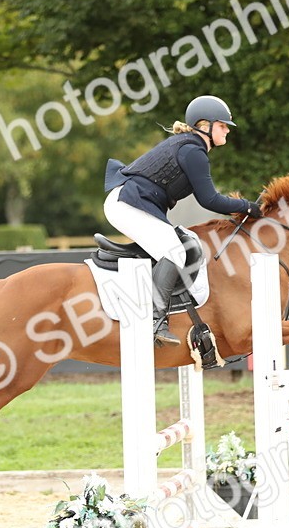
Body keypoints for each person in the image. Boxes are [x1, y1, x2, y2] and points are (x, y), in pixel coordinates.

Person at [104, 95, 262, 346]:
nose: (227, 132)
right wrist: (247, 206)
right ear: (205, 125)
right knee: (175, 251)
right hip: (126, 204)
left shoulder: (190, 146)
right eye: (222, 126)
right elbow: (209, 200)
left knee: (187, 243)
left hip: (131, 203)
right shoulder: (193, 151)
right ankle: (155, 320)